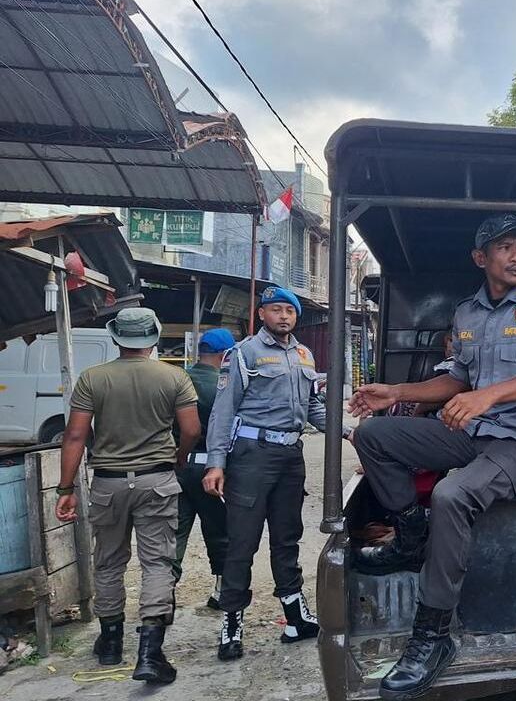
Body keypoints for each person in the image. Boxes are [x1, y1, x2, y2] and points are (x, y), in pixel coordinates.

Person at [349, 214, 516, 700]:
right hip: (474, 434)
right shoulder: (467, 314)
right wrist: (395, 391)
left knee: (452, 494)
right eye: (505, 248)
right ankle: (411, 536)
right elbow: (456, 379)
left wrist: (488, 396)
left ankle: (432, 637)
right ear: (481, 258)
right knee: (373, 435)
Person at [54, 308, 201, 685]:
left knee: (108, 563)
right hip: (156, 481)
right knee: (157, 563)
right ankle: (150, 654)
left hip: (108, 483)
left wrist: (66, 488)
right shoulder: (174, 377)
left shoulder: (93, 379)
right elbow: (191, 429)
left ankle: (111, 643)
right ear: (154, 337)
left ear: (117, 338)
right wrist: (179, 456)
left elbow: (74, 436)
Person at [202, 286, 325, 661]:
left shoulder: (304, 355)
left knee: (288, 538)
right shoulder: (244, 354)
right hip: (252, 457)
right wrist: (216, 462)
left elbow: (313, 409)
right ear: (262, 315)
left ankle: (295, 618)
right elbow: (223, 411)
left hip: (291, 456)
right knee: (243, 541)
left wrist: (349, 431)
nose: (284, 316)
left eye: (290, 310)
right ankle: (231, 627)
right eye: (276, 309)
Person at [172, 328, 236, 608]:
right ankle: (221, 592)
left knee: (174, 532)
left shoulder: (178, 379)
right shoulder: (225, 384)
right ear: (225, 355)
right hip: (212, 467)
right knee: (220, 531)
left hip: (177, 466)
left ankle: (164, 598)